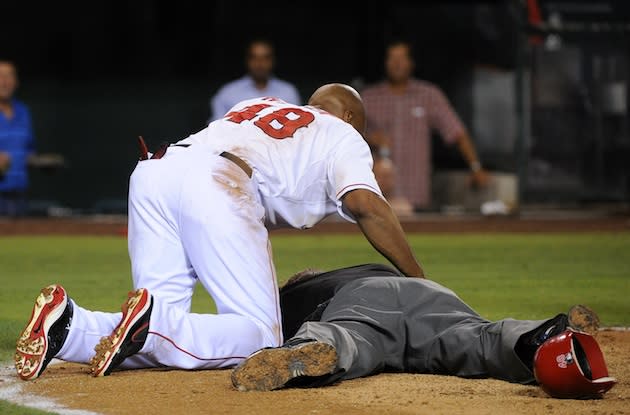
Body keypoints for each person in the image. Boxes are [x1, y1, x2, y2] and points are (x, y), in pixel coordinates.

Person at [15, 84, 424, 381]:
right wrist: (420, 282)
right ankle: (153, 322)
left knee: (164, 338)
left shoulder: (260, 104)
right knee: (261, 338)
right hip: (217, 183)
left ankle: (70, 327)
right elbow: (365, 205)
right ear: (352, 118)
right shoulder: (343, 132)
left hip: (157, 170)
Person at [231, 263, 608, 395]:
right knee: (475, 339)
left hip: (362, 301)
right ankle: (546, 337)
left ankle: (309, 349)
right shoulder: (357, 267)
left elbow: (249, 327)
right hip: (426, 293)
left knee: (352, 338)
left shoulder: (284, 299)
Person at [362, 41, 489, 211]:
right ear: (385, 63)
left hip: (415, 192)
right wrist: (369, 137)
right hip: (378, 193)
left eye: (402, 58)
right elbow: (345, 135)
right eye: (392, 58)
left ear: (411, 62)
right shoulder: (368, 97)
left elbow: (457, 132)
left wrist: (476, 167)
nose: (397, 63)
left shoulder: (428, 95)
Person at [209, 39, 301, 122]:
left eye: (266, 58)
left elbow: (297, 128)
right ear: (247, 60)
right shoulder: (228, 93)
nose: (260, 63)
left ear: (273, 60)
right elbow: (215, 129)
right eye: (254, 57)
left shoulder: (288, 92)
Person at [0, 59, 35, 217]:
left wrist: (40, 162)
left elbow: (29, 151)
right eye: (0, 76)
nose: (4, 82)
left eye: (8, 76)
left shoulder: (23, 112)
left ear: (16, 82)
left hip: (20, 193)